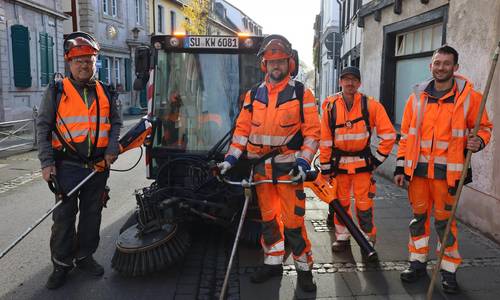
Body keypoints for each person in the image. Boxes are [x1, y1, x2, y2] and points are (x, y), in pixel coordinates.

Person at [217, 35, 320, 292]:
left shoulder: (301, 93)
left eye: (280, 61)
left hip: (289, 170)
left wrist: (304, 163)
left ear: (289, 63)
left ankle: (305, 271)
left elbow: (313, 134)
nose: (276, 66)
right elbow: (241, 131)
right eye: (271, 61)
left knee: (294, 225)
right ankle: (272, 263)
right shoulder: (253, 95)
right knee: (269, 222)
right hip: (261, 170)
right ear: (264, 64)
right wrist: (230, 159)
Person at [394, 45, 493, 294]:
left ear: (455, 67)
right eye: (437, 63)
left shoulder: (470, 98)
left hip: (448, 176)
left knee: (445, 224)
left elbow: (484, 128)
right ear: (431, 66)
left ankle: (448, 271)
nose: (441, 67)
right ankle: (417, 263)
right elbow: (406, 135)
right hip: (417, 174)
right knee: (418, 221)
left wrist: (478, 141)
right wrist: (399, 166)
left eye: (446, 63)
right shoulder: (417, 97)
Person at [36, 31, 122, 289]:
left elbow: (115, 122)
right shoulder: (57, 89)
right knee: (63, 218)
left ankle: (85, 256)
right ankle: (61, 264)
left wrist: (112, 146)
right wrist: (46, 162)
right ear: (69, 62)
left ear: (95, 61)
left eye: (89, 59)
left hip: (97, 167)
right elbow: (43, 126)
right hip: (67, 167)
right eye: (78, 60)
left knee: (91, 215)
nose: (84, 64)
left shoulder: (105, 91)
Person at [319, 66, 396, 254]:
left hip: (362, 167)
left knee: (364, 206)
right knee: (340, 204)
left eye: (354, 79)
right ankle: (342, 238)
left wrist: (376, 161)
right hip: (339, 167)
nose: (350, 83)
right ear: (340, 82)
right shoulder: (330, 106)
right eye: (346, 79)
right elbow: (325, 139)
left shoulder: (371, 105)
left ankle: (368, 239)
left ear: (359, 83)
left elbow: (389, 135)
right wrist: (325, 168)